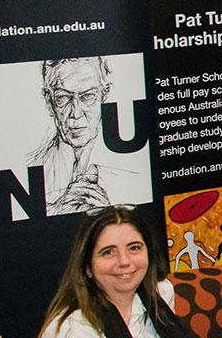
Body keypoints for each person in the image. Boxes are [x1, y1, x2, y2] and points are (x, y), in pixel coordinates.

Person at [38, 206, 195, 338]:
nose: (124, 261)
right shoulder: (73, 330)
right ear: (87, 267)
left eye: (134, 248)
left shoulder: (162, 293)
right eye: (108, 252)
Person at [35, 57, 132, 215]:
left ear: (104, 94)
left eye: (87, 96)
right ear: (48, 100)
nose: (76, 113)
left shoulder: (131, 171)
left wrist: (110, 216)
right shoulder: (35, 166)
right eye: (63, 98)